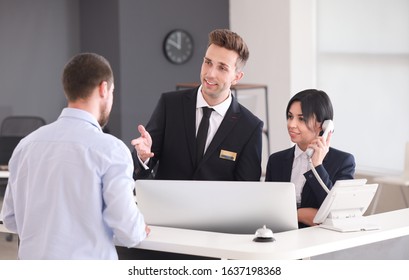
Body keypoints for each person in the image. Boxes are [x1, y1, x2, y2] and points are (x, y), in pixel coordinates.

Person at [1, 53, 149, 259]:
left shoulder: (26, 145)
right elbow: (127, 230)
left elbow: (9, 219)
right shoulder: (111, 149)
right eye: (112, 91)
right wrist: (140, 227)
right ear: (103, 88)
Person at [132, 29, 263, 181]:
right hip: (168, 204)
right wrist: (142, 157)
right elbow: (141, 169)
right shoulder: (170, 105)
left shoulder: (249, 127)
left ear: (237, 77)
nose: (210, 74)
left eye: (222, 68)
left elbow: (247, 190)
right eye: (208, 62)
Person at [265, 89, 355, 228]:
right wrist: (303, 215)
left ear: (323, 125)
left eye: (301, 119)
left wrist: (317, 165)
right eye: (290, 116)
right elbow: (268, 210)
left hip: (319, 241)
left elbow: (336, 214)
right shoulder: (276, 160)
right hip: (281, 236)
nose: (291, 124)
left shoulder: (343, 162)